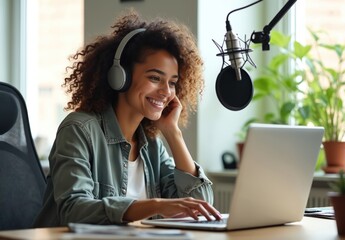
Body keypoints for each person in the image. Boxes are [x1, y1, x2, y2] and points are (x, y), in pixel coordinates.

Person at [33, 10, 222, 227]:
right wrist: (156, 205)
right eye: (154, 78)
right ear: (120, 76)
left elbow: (200, 205)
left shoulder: (151, 146)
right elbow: (74, 210)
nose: (166, 92)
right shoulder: (79, 129)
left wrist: (173, 133)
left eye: (172, 83)